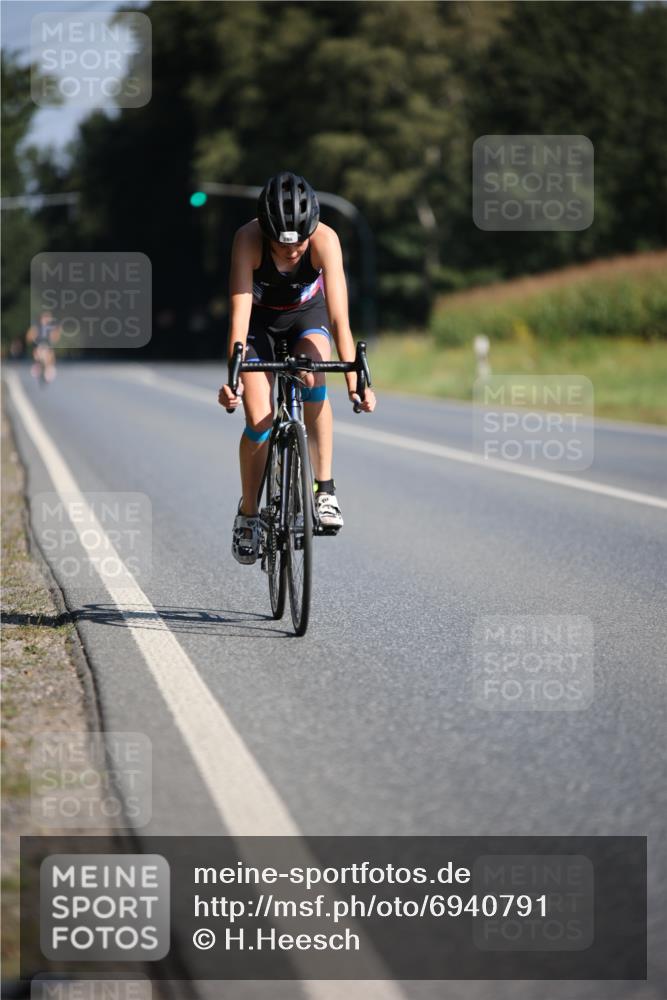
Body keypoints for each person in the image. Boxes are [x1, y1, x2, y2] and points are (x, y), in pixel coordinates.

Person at [218, 171, 376, 565]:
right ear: (265, 232)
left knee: (312, 372)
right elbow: (239, 318)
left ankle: (324, 489)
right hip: (258, 323)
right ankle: (250, 515)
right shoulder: (247, 239)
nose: (291, 252)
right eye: (281, 244)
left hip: (308, 316)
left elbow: (340, 319)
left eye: (299, 243)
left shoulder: (326, 240)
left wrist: (356, 381)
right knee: (260, 419)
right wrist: (233, 379)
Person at [26, 310, 61, 383]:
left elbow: (55, 338)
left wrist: (56, 333)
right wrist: (32, 335)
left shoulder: (52, 328)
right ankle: (38, 366)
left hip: (48, 347)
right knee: (37, 353)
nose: (47, 319)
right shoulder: (36, 327)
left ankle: (49, 369)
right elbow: (28, 337)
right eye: (45, 317)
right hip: (38, 346)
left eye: (48, 318)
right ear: (41, 318)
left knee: (50, 355)